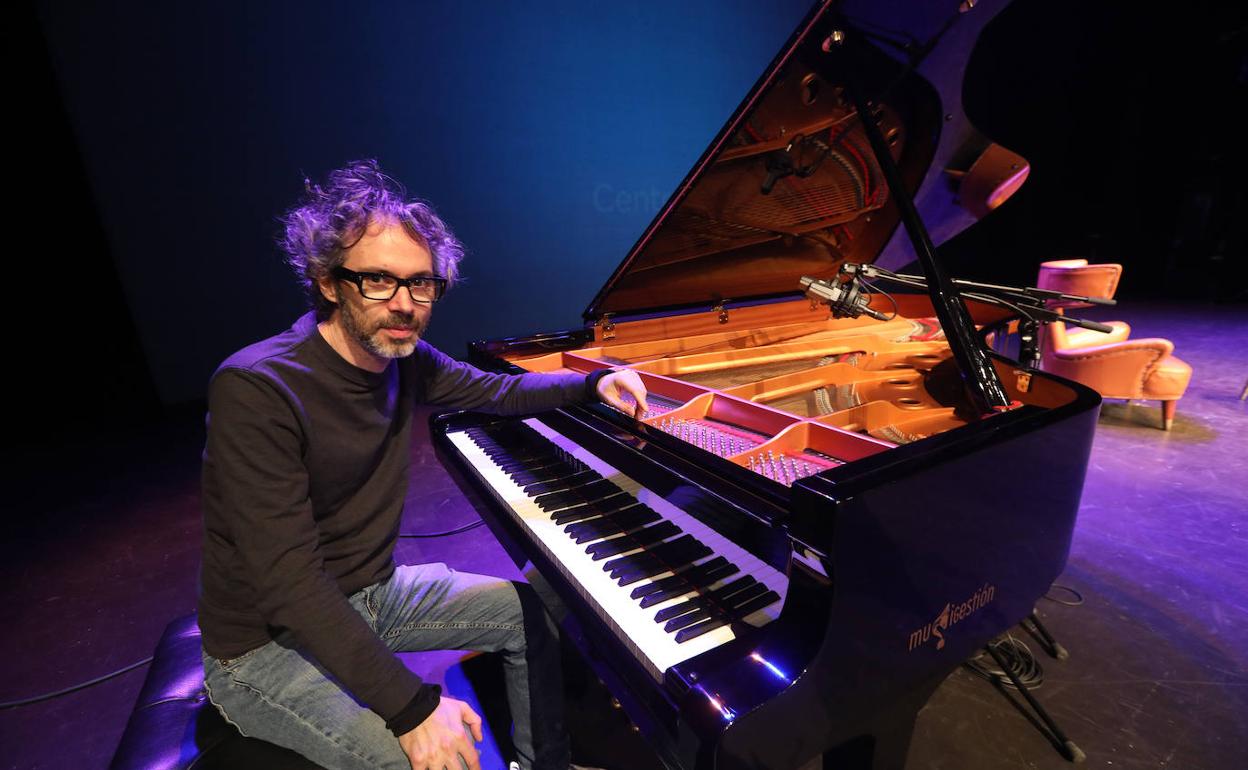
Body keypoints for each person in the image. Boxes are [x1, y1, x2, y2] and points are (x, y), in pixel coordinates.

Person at [198, 159, 648, 770]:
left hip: (370, 594)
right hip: (264, 646)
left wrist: (591, 384)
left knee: (529, 613)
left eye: (421, 283)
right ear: (328, 282)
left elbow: (497, 391)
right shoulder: (258, 387)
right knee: (429, 761)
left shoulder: (404, 357)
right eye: (378, 280)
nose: (404, 304)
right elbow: (290, 585)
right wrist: (412, 710)